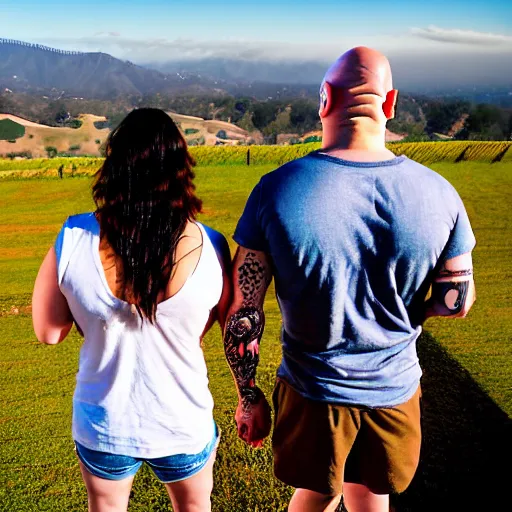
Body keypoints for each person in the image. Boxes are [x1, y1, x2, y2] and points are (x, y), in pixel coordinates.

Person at [223, 47, 476, 512]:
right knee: (371, 494)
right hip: (395, 393)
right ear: (391, 102)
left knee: (318, 493)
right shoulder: (440, 193)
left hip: (312, 393)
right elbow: (457, 300)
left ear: (324, 100)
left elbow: (244, 313)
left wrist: (248, 396)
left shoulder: (276, 190)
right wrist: (407, 311)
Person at [32, 108, 231, 512]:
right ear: (180, 166)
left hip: (104, 424)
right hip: (183, 420)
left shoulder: (73, 237)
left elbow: (48, 331)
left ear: (113, 165)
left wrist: (96, 318)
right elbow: (214, 325)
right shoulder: (211, 245)